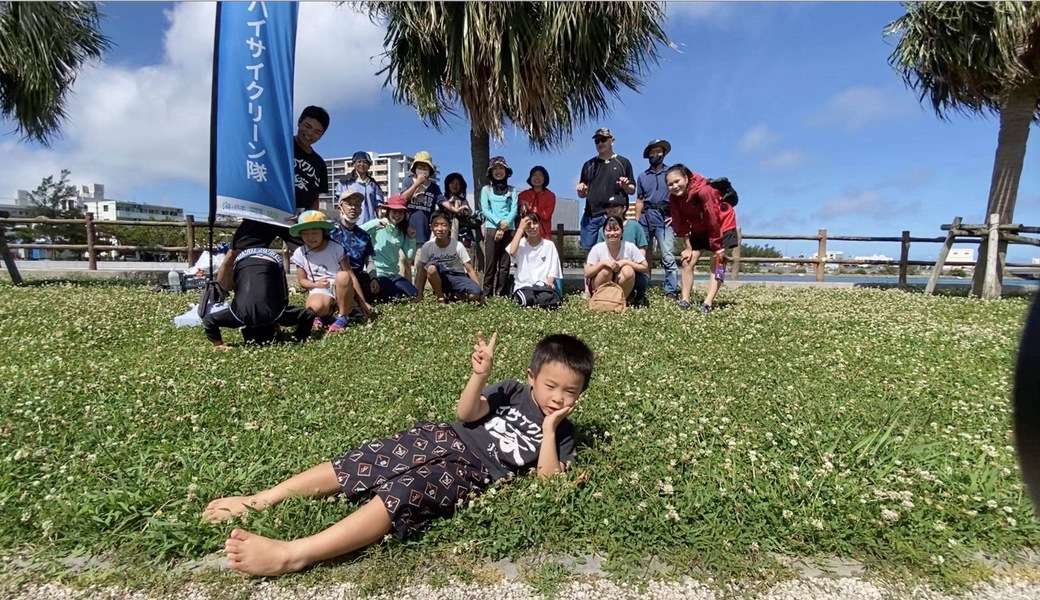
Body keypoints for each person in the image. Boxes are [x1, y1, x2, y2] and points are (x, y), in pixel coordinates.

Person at [202, 332, 594, 577]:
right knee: (366, 461)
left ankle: (295, 554)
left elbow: (548, 481)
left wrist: (548, 429)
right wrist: (479, 376)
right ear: (531, 378)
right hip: (445, 435)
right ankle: (261, 499)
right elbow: (466, 414)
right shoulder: (510, 390)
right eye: (551, 386)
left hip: (473, 472)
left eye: (570, 392)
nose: (558, 397)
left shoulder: (562, 434)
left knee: (404, 493)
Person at [218, 106, 331, 292]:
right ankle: (217, 295)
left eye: (317, 132)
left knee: (313, 256)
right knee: (233, 252)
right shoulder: (279, 145)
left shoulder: (319, 164)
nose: (310, 133)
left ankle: (321, 300)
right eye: (307, 126)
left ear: (322, 136)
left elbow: (315, 197)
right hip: (266, 213)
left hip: (295, 220)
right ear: (299, 122)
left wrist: (309, 219)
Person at [201, 247, 314, 349]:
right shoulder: (239, 316)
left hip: (272, 260)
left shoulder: (278, 315)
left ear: (275, 329)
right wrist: (218, 343)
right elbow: (208, 320)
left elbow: (309, 314)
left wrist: (300, 337)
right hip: (243, 260)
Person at [289, 211, 362, 331]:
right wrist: (316, 285)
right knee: (314, 308)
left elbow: (350, 275)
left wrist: (362, 302)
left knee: (343, 276)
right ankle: (325, 315)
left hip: (340, 286)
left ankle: (343, 316)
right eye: (305, 233)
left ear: (323, 232)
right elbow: (302, 281)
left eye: (315, 232)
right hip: (320, 288)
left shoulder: (336, 248)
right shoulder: (299, 253)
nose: (310, 237)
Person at [666, 164, 723, 313]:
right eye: (670, 184)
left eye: (677, 181)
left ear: (686, 177)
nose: (674, 186)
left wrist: (718, 247)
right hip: (700, 227)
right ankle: (685, 300)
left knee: (718, 263)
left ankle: (708, 302)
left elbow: (713, 219)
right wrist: (688, 248)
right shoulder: (673, 198)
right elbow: (680, 224)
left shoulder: (704, 191)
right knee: (687, 261)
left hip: (721, 226)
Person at [576, 128, 635, 251]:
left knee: (616, 251)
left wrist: (625, 186)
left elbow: (632, 189)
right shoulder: (588, 165)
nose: (600, 144)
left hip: (615, 215)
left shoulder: (623, 162)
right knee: (590, 252)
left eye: (603, 140)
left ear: (612, 141)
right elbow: (582, 194)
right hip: (591, 216)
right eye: (597, 141)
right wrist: (581, 190)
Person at [635, 139, 678, 299]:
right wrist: (636, 222)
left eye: (658, 151)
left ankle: (671, 290)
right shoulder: (642, 176)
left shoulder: (671, 174)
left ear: (664, 153)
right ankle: (641, 288)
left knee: (668, 255)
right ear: (648, 155)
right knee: (641, 255)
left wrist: (675, 216)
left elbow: (678, 196)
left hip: (664, 219)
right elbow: (639, 200)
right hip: (645, 219)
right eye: (652, 152)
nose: (655, 155)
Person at [328, 191, 375, 331]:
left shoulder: (364, 235)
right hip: (335, 275)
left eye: (357, 205)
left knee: (380, 288)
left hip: (358, 277)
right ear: (340, 206)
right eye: (349, 204)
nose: (353, 208)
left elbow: (369, 260)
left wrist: (374, 278)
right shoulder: (329, 231)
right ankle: (348, 307)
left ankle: (353, 304)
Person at [360, 195, 419, 302]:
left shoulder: (402, 231)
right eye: (394, 211)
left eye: (401, 212)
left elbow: (410, 256)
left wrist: (412, 239)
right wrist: (376, 224)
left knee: (415, 295)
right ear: (388, 211)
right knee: (396, 297)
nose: (397, 215)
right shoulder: (378, 223)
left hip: (393, 274)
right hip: (378, 273)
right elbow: (358, 232)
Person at [415, 212, 484, 304]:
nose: (440, 229)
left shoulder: (458, 245)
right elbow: (422, 271)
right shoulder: (427, 246)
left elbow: (470, 269)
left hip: (458, 276)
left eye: (444, 225)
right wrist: (420, 294)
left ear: (450, 226)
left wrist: (480, 291)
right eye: (436, 225)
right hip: (441, 277)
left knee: (475, 295)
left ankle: (457, 295)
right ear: (431, 227)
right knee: (431, 268)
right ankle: (441, 298)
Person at [596, 197, 649, 305]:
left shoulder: (634, 226)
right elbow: (599, 252)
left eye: (615, 206)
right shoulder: (602, 229)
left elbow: (642, 249)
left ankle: (627, 298)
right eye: (608, 207)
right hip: (610, 266)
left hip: (631, 267)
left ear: (624, 208)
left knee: (632, 274)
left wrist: (629, 263)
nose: (611, 209)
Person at [584, 215, 648, 303]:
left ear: (622, 231)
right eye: (608, 230)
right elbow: (587, 272)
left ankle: (620, 301)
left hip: (621, 282)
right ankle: (600, 300)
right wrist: (603, 263)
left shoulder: (630, 247)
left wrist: (625, 262)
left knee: (628, 270)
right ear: (603, 232)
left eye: (616, 229)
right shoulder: (597, 248)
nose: (612, 233)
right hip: (599, 284)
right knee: (605, 271)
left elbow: (645, 267)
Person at [480, 156, 518, 298]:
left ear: (506, 171)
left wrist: (504, 226)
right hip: (491, 228)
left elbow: (514, 210)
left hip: (509, 229)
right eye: (495, 169)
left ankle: (501, 294)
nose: (498, 171)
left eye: (501, 168)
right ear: (491, 172)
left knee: (505, 264)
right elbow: (485, 209)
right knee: (490, 264)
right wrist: (498, 224)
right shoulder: (486, 189)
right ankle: (487, 294)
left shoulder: (512, 190)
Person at [507, 213, 563, 309]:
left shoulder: (549, 245)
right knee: (527, 300)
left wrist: (549, 282)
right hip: (524, 285)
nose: (532, 227)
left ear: (540, 225)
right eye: (528, 224)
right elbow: (512, 252)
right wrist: (520, 229)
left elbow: (553, 269)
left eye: (535, 223)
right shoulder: (520, 243)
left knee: (551, 302)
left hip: (542, 286)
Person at [400, 151, 445, 253]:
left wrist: (454, 208)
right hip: (406, 232)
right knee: (403, 263)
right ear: (415, 168)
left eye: (426, 168)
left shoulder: (434, 187)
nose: (423, 170)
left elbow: (442, 201)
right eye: (420, 167)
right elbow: (403, 198)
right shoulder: (407, 181)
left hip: (424, 234)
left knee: (420, 265)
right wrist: (417, 184)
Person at [333, 151, 385, 226]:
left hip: (370, 223)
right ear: (354, 164)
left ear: (369, 165)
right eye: (359, 162)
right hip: (350, 223)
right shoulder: (345, 181)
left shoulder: (374, 184)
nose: (362, 164)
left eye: (365, 162)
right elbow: (340, 203)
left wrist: (381, 220)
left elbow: (378, 206)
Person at [441, 172, 480, 247]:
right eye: (452, 183)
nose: (455, 186)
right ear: (447, 184)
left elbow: (469, 213)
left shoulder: (463, 200)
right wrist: (449, 202)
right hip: (444, 231)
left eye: (458, 183)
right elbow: (439, 211)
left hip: (461, 234)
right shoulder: (443, 198)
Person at [517, 166, 555, 240]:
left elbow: (546, 215)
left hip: (544, 235)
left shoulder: (550, 196)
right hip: (525, 234)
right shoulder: (523, 195)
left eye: (540, 175)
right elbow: (519, 214)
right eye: (534, 175)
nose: (537, 178)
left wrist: (529, 207)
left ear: (545, 178)